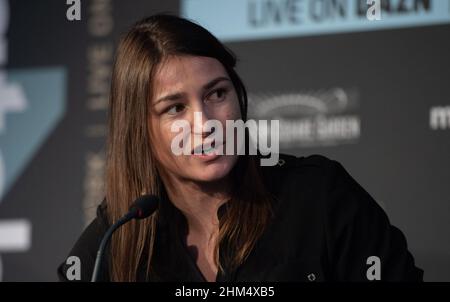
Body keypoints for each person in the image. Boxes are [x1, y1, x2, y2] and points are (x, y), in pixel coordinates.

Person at [57, 14, 423, 282]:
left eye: (217, 93)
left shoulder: (318, 195)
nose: (206, 123)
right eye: (175, 108)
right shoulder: (115, 240)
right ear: (139, 128)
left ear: (238, 96)